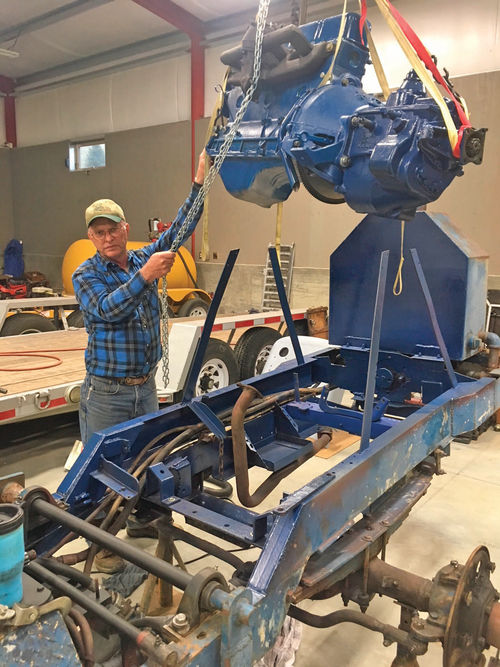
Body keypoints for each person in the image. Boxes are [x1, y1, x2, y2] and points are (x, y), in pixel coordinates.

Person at [72, 152, 206, 572]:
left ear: (126, 229)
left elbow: (181, 229)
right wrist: (145, 276)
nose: (108, 237)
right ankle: (104, 545)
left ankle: (143, 520)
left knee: (148, 456)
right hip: (107, 392)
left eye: (114, 229)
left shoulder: (139, 258)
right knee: (104, 471)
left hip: (144, 387)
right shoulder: (86, 274)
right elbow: (106, 311)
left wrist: (199, 184)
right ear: (92, 238)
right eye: (99, 232)